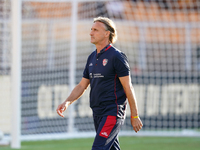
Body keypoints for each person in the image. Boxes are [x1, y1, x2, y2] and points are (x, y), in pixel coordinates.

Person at [57, 16, 143, 150]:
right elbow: (82, 85)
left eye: (95, 30)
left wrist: (135, 115)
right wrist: (67, 102)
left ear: (107, 33)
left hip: (112, 112)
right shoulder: (91, 57)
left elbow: (128, 86)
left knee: (98, 148)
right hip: (97, 112)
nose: (91, 33)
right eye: (91, 29)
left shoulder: (117, 56)